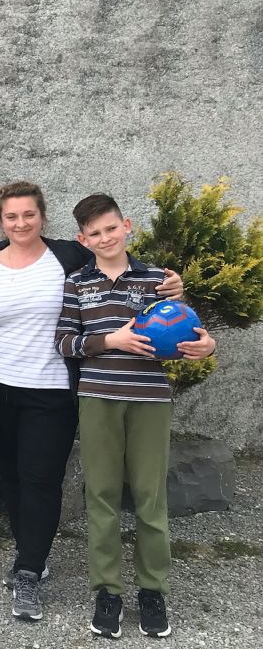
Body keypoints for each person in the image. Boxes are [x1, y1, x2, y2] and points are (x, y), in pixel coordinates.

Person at [0, 181, 184, 624]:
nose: (21, 223)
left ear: (43, 217)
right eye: (11, 217)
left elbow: (117, 264)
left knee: (40, 480)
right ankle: (31, 551)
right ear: (0, 221)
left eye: (29, 215)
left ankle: (29, 569)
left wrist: (171, 284)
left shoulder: (68, 258)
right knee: (13, 479)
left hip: (51, 392)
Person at [55, 193, 214, 639]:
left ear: (128, 226)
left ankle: (152, 590)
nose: (105, 238)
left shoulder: (158, 280)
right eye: (95, 233)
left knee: (150, 498)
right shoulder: (76, 283)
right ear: (82, 239)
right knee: (102, 496)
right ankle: (107, 591)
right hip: (98, 399)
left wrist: (206, 346)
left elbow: (189, 330)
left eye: (111, 228)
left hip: (149, 400)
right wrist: (112, 341)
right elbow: (64, 342)